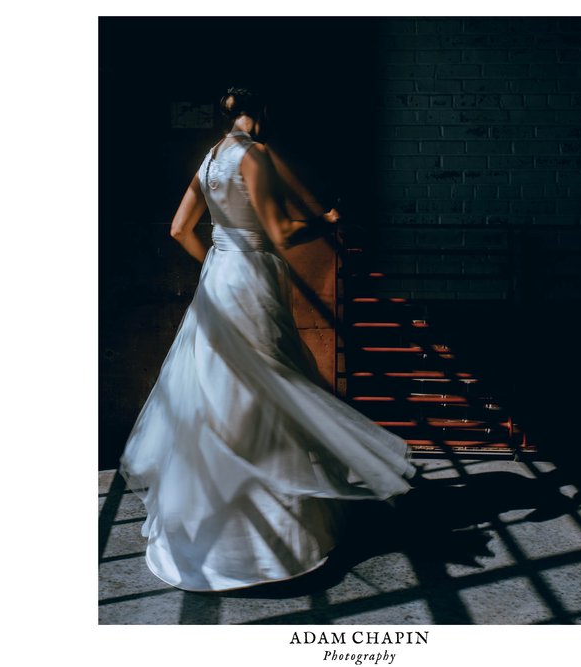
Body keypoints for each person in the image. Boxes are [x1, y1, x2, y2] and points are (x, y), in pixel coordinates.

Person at [118, 87, 415, 592]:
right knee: (266, 387)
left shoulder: (211, 157)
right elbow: (279, 232)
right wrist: (326, 220)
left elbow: (178, 229)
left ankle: (209, 529)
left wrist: (215, 264)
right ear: (265, 112)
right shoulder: (254, 155)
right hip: (251, 278)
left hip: (220, 280)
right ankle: (271, 538)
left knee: (216, 392)